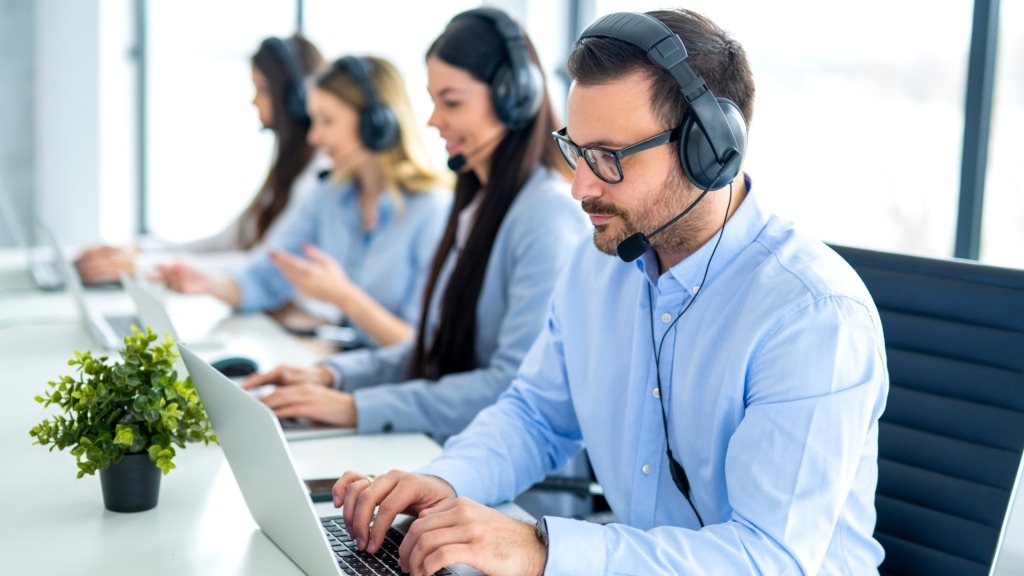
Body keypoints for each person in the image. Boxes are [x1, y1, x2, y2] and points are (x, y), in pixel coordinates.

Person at [330, 8, 889, 576]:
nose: (579, 186)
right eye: (576, 150)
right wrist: (444, 481)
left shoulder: (813, 317)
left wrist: (542, 550)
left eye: (608, 158)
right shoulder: (596, 266)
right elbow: (536, 415)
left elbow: (767, 560)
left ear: (710, 150)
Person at [240, 7, 588, 440]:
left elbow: (510, 385)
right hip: (445, 449)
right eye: (432, 100)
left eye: (452, 101)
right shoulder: (475, 206)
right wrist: (332, 376)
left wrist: (355, 407)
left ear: (514, 98)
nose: (432, 120)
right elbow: (433, 352)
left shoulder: (545, 216)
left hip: (512, 491)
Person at [156, 55, 452, 348]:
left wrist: (344, 297)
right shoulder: (328, 194)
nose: (314, 137)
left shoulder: (433, 211)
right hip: (345, 365)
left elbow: (421, 348)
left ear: (376, 123)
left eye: (327, 121)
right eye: (314, 121)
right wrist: (208, 283)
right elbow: (265, 274)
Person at [75, 34, 329, 284]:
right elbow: (224, 243)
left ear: (296, 99)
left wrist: (142, 266)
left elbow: (262, 263)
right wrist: (139, 250)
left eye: (262, 89)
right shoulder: (287, 167)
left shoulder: (316, 176)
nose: (253, 100)